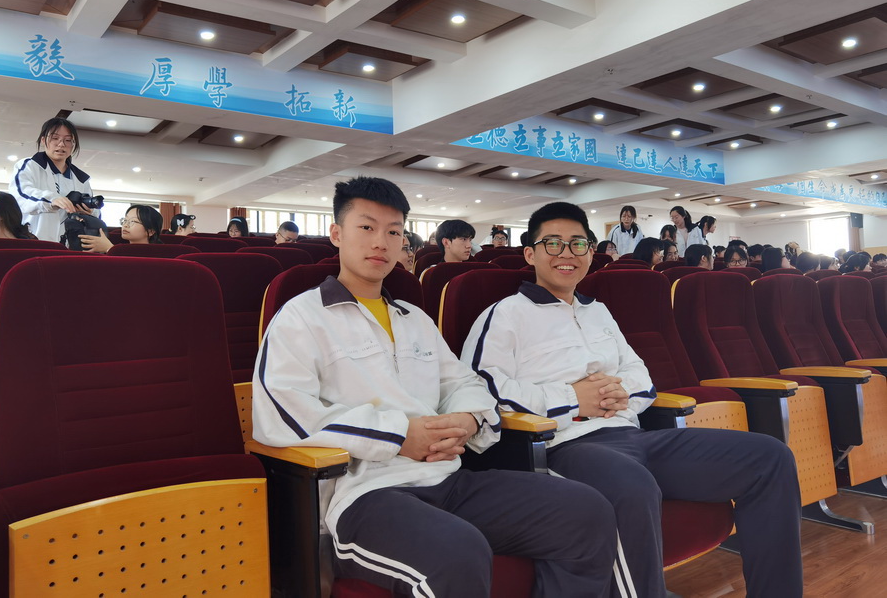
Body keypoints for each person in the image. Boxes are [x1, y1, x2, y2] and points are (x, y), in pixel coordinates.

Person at [252, 177, 618, 596]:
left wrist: (467, 420)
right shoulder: (302, 317)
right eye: (367, 227)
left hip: (445, 477)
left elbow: (463, 382)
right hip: (362, 494)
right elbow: (285, 415)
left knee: (585, 511)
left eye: (394, 232)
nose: (381, 242)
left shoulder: (414, 319)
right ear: (337, 234)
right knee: (456, 553)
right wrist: (399, 436)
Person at [462, 201, 803, 598]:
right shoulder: (505, 314)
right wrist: (573, 400)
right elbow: (483, 390)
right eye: (552, 243)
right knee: (631, 487)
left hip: (633, 435)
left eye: (578, 244)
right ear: (530, 253)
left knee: (769, 458)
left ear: (591, 251)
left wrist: (621, 393)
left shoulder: (598, 312)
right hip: (562, 446)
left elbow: (640, 373)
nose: (567, 253)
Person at [10, 117, 95, 243]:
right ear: (43, 140)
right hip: (33, 240)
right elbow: (20, 196)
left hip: (68, 245)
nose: (61, 144)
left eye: (68, 140)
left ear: (73, 144)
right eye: (55, 138)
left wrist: (89, 212)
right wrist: (51, 200)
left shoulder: (81, 179)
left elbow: (95, 214)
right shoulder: (29, 165)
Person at [80, 204, 164, 253]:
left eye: (132, 221)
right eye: (125, 220)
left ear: (151, 231)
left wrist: (109, 248)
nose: (125, 225)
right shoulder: (124, 248)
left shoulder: (156, 253)